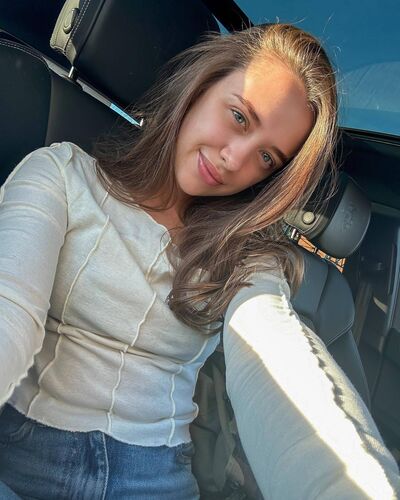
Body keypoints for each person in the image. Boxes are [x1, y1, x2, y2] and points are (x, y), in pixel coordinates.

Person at [0, 23, 398, 499]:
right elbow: (10, 310)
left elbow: (277, 353)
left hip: (157, 476)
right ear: (200, 86)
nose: (236, 159)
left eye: (267, 158)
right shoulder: (62, 175)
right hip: (22, 452)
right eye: (239, 117)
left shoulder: (246, 257)